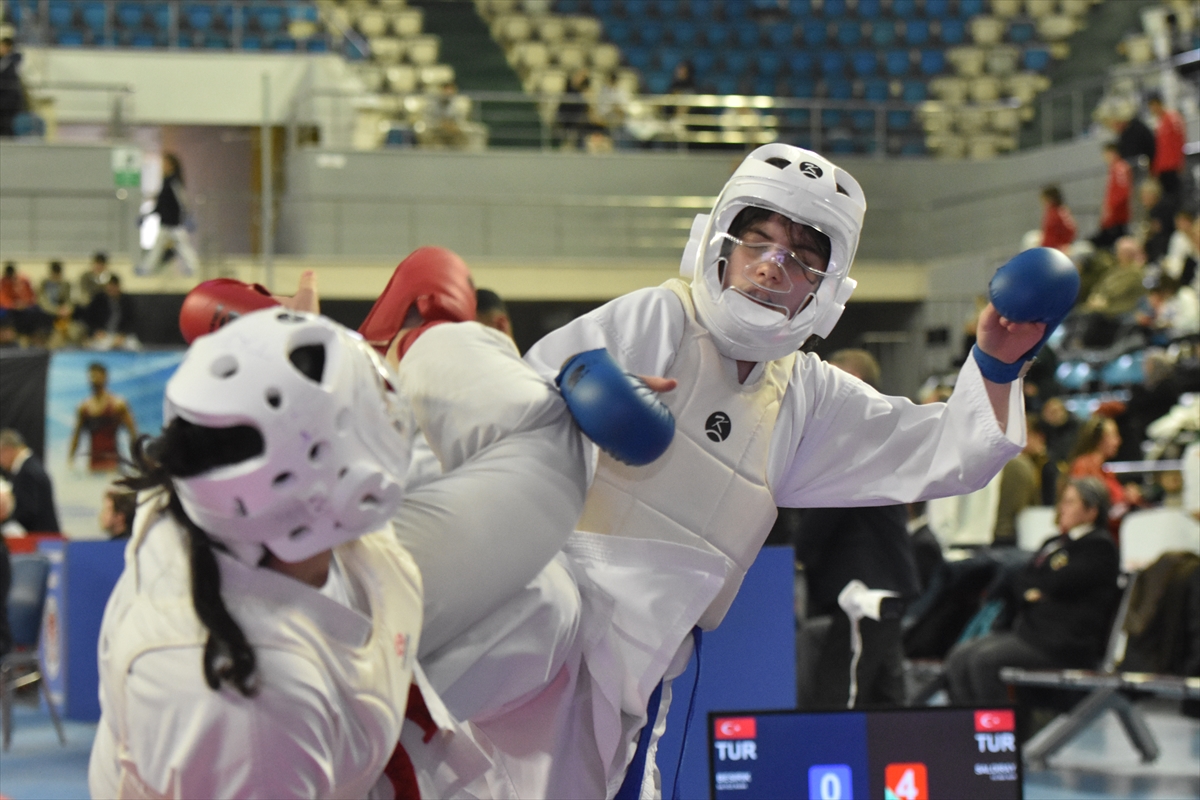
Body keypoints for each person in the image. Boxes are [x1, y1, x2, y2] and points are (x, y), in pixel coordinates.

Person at [518, 144, 1050, 795]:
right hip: (538, 640)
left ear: (828, 290)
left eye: (801, 257)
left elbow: (938, 450)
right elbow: (508, 413)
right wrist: (575, 392)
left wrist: (995, 365)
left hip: (643, 671)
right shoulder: (656, 318)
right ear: (716, 244)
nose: (771, 266)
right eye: (757, 241)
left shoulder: (806, 396)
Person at [90, 263, 592, 798]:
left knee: (547, 599)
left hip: (334, 629)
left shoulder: (210, 498)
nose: (388, 406)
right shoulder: (252, 707)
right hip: (291, 738)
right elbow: (544, 467)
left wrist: (288, 353)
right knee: (546, 516)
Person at [790, 349, 920, 710]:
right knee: (883, 690)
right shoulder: (864, 436)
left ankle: (843, 762)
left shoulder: (854, 440)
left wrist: (791, 553)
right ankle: (892, 760)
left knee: (844, 690)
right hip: (876, 584)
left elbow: (823, 513)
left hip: (866, 588)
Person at [945, 477, 1120, 704]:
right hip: (1030, 633)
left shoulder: (1100, 548)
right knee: (959, 656)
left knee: (983, 661)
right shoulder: (1054, 542)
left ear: (1092, 510)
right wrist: (1036, 590)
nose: (1062, 508)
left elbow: (1058, 582)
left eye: (1070, 502)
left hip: (1061, 644)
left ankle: (999, 734)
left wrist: (1041, 587)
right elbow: (1023, 580)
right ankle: (966, 728)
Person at [1068, 415, 1139, 531]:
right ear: (1099, 438)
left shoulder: (1106, 471)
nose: (1119, 441)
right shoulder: (1083, 467)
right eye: (1113, 435)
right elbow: (1089, 504)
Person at [68, 361, 138, 473]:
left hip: (112, 465)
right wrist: (70, 460)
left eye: (97, 376)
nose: (93, 380)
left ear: (105, 377)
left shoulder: (118, 404)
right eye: (91, 376)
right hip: (93, 465)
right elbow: (76, 436)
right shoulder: (84, 407)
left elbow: (133, 434)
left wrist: (137, 460)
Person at [138, 153, 200, 276]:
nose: (163, 166)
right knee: (159, 247)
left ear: (172, 165)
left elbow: (182, 200)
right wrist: (147, 214)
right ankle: (146, 268)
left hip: (174, 223)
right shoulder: (166, 181)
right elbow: (161, 204)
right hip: (165, 222)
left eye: (165, 163)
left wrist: (188, 216)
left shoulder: (174, 182)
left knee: (183, 247)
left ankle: (194, 268)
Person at [0, 428, 60, 534]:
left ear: (8, 450)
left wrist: (5, 523)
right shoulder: (30, 467)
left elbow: (27, 511)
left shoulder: (27, 472)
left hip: (40, 541)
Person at [1147, 92, 1185, 207]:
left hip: (1172, 165)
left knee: (1175, 196)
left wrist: (1179, 161)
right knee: (1167, 198)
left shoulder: (1172, 118)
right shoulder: (1159, 121)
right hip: (1162, 167)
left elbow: (1179, 140)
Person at [81, 274, 139, 350]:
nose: (111, 289)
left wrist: (123, 335)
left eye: (114, 286)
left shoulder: (126, 301)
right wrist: (96, 331)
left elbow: (131, 321)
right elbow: (88, 318)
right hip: (103, 335)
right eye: (109, 287)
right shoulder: (98, 300)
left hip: (120, 335)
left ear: (118, 287)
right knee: (99, 348)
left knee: (134, 346)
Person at [1093, 142, 1132, 250]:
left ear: (1112, 153)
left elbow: (1123, 192)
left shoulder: (1119, 167)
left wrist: (1110, 210)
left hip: (1116, 217)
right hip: (1114, 217)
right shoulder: (1115, 168)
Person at [1039, 184, 1076, 252]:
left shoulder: (1055, 214)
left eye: (1044, 199)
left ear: (1050, 199)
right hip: (1060, 246)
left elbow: (1050, 236)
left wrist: (1042, 249)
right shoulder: (1061, 210)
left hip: (1056, 248)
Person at [0, 37, 23, 138]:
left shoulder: (13, 61)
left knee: (7, 125)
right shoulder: (3, 60)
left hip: (9, 99)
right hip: (3, 98)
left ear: (7, 47)